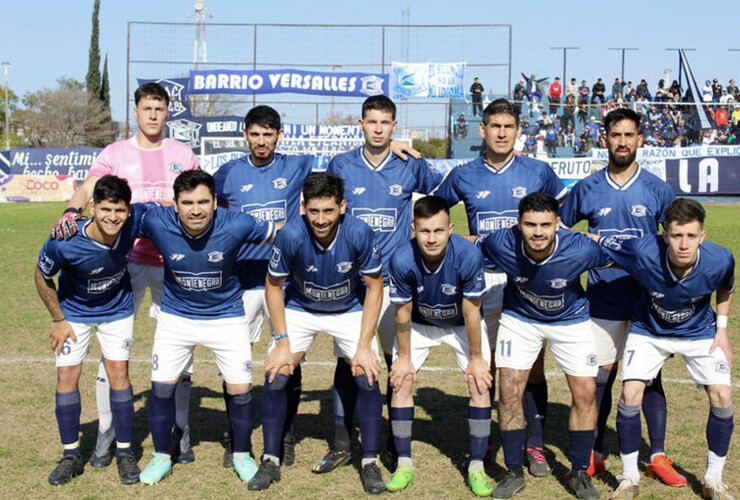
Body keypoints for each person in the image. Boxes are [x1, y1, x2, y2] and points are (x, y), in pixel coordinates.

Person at [50, 82, 200, 466]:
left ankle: (181, 431)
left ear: (168, 113)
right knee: (112, 354)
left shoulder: (182, 154)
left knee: (182, 349)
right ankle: (107, 432)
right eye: (147, 108)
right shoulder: (115, 153)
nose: (153, 114)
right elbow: (89, 187)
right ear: (135, 111)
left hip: (174, 264)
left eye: (160, 108)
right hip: (125, 263)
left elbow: (198, 197)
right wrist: (71, 212)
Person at [432, 98, 567, 477]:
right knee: (491, 364)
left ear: (518, 131)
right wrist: (461, 242)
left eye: (509, 127)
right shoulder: (464, 174)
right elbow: (432, 213)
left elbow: (564, 217)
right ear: (483, 130)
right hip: (486, 281)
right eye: (495, 126)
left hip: (530, 278)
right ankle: (490, 438)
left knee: (532, 366)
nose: (502, 133)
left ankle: (535, 444)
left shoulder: (539, 171)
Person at [559, 107, 680, 484]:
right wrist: (586, 248)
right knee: (601, 379)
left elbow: (677, 242)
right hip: (602, 299)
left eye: (630, 135)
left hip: (646, 300)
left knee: (651, 378)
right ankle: (595, 454)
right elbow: (561, 230)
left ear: (640, 139)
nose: (623, 142)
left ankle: (657, 455)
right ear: (605, 138)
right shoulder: (588, 188)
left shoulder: (658, 189)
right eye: (616, 135)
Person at [321, 95, 441, 473]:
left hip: (395, 282)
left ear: (394, 126)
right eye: (371, 122)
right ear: (361, 124)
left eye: (385, 123)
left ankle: (391, 439)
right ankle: (343, 442)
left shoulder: (409, 164)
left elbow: (443, 194)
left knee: (394, 362)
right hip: (352, 282)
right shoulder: (341, 164)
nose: (377, 129)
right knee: (349, 360)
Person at [136, 170, 278, 485]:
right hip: (176, 317)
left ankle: (242, 454)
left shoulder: (237, 223)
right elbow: (118, 216)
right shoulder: (156, 221)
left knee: (240, 387)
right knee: (161, 386)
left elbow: (281, 232)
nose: (196, 209)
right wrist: (76, 222)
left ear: (216, 202)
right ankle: (161, 456)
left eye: (203, 201)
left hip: (226, 317)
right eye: (187, 202)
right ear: (174, 204)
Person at [594, 199, 735, 500]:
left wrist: (721, 329)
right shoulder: (641, 251)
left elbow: (726, 287)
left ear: (703, 236)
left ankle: (714, 479)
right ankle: (629, 477)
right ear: (665, 235)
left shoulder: (721, 259)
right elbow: (598, 240)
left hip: (699, 332)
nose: (684, 244)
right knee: (630, 392)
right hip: (649, 331)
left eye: (691, 236)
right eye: (677, 235)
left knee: (722, 396)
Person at [253, 172, 386, 494]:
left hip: (349, 309)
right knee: (276, 373)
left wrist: (365, 345)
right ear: (303, 208)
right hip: (301, 308)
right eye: (314, 211)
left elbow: (375, 286)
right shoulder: (290, 236)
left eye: (328, 211)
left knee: (365, 374)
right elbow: (272, 287)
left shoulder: (359, 232)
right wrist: (282, 342)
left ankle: (369, 461)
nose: (321, 219)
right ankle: (271, 459)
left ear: (342, 206)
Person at [477, 193, 611, 500]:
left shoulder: (581, 247)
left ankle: (579, 473)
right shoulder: (500, 242)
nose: (538, 232)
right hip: (520, 318)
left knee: (585, 392)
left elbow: (629, 255)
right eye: (530, 225)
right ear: (518, 224)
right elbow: (466, 245)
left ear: (558, 224)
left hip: (571, 319)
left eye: (546, 225)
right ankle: (513, 472)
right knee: (509, 388)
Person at [37, 176, 148, 486]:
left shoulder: (136, 218)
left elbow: (170, 209)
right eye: (105, 209)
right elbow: (41, 275)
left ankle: (125, 452)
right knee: (66, 377)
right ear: (94, 208)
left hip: (117, 311)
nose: (112, 217)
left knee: (119, 375)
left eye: (119, 210)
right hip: (74, 314)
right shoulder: (66, 239)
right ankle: (71, 454)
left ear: (129, 211)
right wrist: (58, 319)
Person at [385, 196, 493, 496]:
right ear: (413, 229)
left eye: (438, 231)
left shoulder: (468, 255)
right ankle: (404, 463)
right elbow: (402, 312)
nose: (431, 238)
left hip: (461, 324)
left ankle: (477, 467)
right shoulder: (402, 258)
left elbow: (472, 311)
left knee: (479, 383)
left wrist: (476, 358)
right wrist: (404, 357)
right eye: (424, 231)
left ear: (450, 229)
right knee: (401, 381)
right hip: (420, 324)